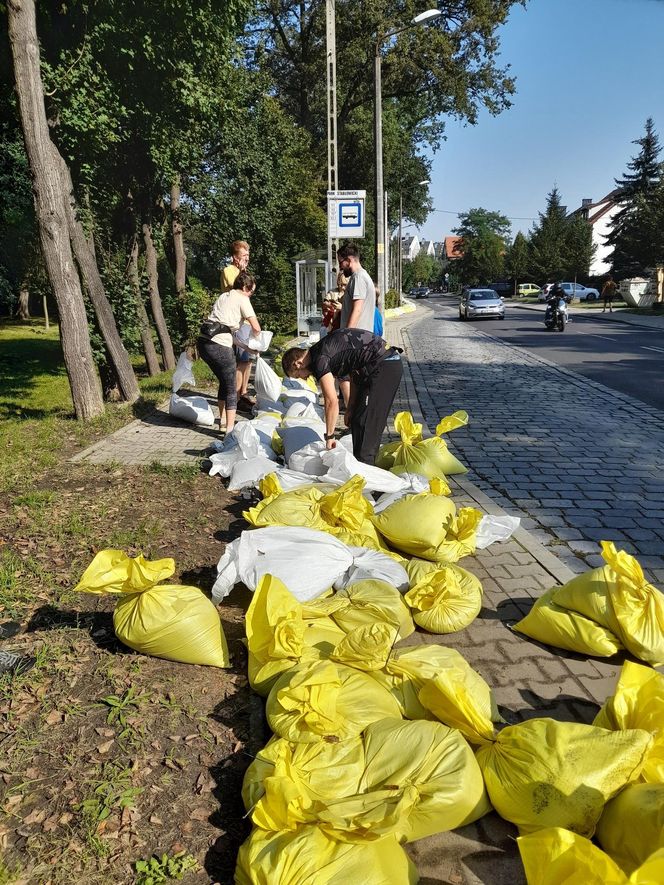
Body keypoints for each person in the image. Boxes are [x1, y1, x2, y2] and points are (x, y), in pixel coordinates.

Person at [281, 328, 403, 465]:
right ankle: (362, 467)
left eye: (298, 376)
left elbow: (331, 401)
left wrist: (330, 436)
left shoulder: (320, 359)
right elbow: (354, 374)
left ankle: (367, 474)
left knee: (367, 423)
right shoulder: (319, 352)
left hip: (385, 366)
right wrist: (351, 408)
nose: (304, 378)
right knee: (357, 419)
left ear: (297, 364)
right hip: (371, 369)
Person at [198, 271, 261, 434]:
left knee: (224, 380)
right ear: (247, 287)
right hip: (219, 346)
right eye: (252, 291)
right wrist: (258, 342)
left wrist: (246, 348)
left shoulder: (224, 296)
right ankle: (230, 431)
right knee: (232, 386)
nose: (251, 295)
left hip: (204, 343)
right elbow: (256, 327)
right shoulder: (243, 298)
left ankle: (223, 421)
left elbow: (222, 330)